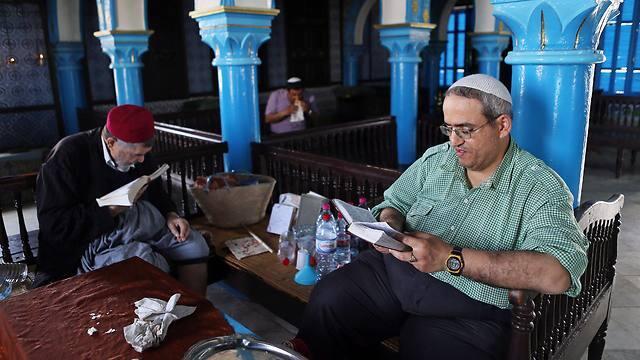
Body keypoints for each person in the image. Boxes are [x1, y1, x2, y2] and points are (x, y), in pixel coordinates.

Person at [290, 74, 589, 359]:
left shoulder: (539, 185)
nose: (454, 141)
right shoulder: (437, 160)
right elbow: (394, 202)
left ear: (502, 125)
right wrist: (390, 228)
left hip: (470, 308)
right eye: (448, 129)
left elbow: (557, 272)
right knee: (330, 300)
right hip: (395, 274)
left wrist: (450, 258)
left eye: (466, 130)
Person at [35, 105, 210, 294]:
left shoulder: (138, 152)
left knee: (195, 245)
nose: (142, 160)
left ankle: (198, 314)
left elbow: (158, 193)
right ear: (111, 142)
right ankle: (161, 319)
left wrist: (171, 214)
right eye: (137, 155)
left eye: (145, 154)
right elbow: (54, 226)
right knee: (143, 260)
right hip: (87, 242)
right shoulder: (68, 155)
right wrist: (110, 209)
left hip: (139, 227)